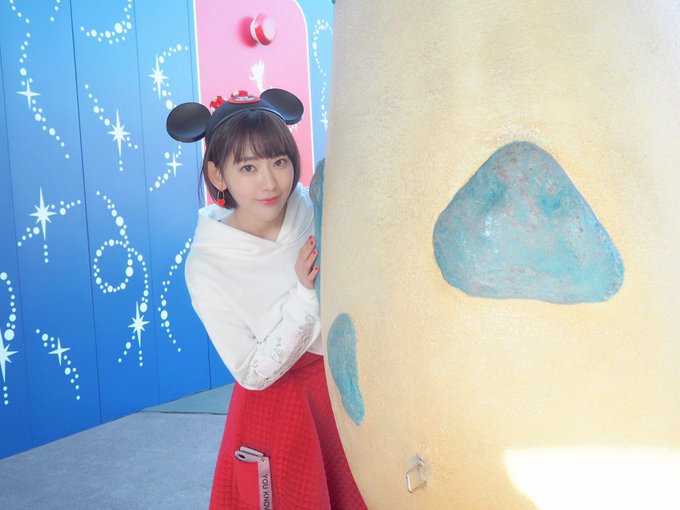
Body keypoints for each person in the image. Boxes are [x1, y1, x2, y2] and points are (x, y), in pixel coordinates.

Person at [167, 89, 366, 509]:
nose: (270, 182)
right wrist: (305, 294)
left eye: (279, 161)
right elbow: (251, 373)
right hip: (280, 411)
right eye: (248, 167)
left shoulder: (313, 208)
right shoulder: (207, 265)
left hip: (344, 387)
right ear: (218, 175)